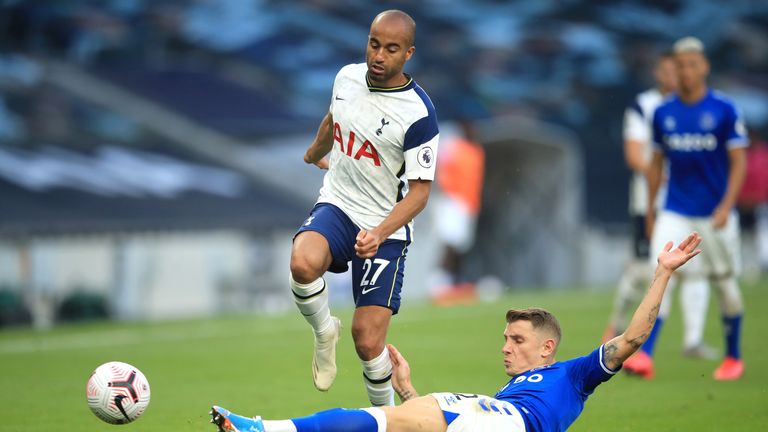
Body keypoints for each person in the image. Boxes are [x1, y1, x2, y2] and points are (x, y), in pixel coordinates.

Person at [209, 233, 704, 432]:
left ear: (547, 347)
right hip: (482, 412)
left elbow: (633, 338)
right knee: (395, 415)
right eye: (506, 339)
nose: (506, 347)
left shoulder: (574, 376)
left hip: (508, 422)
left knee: (398, 422)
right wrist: (407, 387)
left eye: (517, 340)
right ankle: (267, 429)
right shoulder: (508, 388)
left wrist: (662, 272)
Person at [288, 9, 439, 406]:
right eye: (374, 44)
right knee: (303, 263)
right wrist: (313, 152)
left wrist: (380, 233)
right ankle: (324, 331)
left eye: (391, 49)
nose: (378, 55)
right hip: (339, 202)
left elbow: (420, 193)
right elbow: (333, 119)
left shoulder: (419, 115)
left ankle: (389, 419)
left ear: (408, 53)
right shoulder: (346, 77)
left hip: (383, 226)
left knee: (368, 342)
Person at [625, 37, 747, 381]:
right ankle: (645, 356)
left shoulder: (724, 109)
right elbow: (655, 166)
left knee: (724, 283)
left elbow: (738, 162)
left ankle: (733, 356)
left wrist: (726, 206)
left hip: (714, 212)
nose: (686, 71)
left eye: (693, 64)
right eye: (680, 66)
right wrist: (651, 213)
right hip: (675, 209)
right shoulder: (664, 114)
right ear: (674, 71)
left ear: (704, 66)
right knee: (660, 275)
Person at [604, 51, 715, 363]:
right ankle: (617, 323)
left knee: (695, 269)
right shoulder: (644, 106)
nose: (675, 76)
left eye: (679, 69)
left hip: (690, 202)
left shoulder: (697, 108)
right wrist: (664, 173)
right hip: (649, 202)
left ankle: (692, 340)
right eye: (669, 70)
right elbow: (634, 155)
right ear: (659, 73)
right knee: (644, 269)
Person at [429, 119, 485, 306]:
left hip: (468, 203)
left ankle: (454, 281)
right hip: (453, 201)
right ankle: (438, 282)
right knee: (450, 242)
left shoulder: (476, 151)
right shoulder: (453, 147)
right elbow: (437, 164)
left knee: (461, 245)